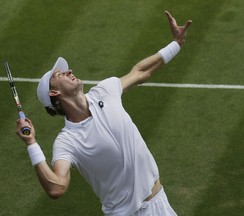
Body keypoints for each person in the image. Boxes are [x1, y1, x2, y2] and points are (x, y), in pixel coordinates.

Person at [16, 11, 192, 216]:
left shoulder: (105, 90)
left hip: (160, 203)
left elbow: (140, 72)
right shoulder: (67, 141)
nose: (69, 71)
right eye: (60, 74)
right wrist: (32, 144)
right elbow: (56, 187)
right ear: (54, 92)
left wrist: (176, 44)